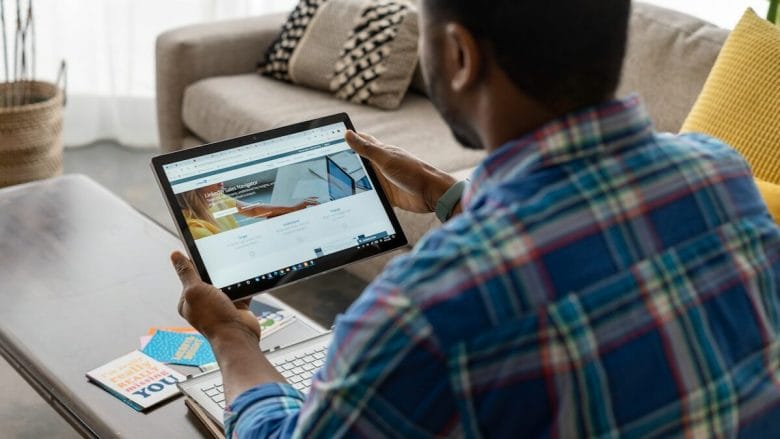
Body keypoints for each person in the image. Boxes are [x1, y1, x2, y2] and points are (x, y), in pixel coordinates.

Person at [170, 0, 780, 437]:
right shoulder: (719, 174)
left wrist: (231, 337)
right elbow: (580, 244)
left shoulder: (426, 310)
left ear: (459, 55)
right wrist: (447, 194)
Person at [177, 182, 319, 239]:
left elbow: (253, 210)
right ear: (195, 189)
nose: (222, 183)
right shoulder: (196, 229)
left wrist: (292, 209)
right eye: (212, 180)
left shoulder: (215, 198)